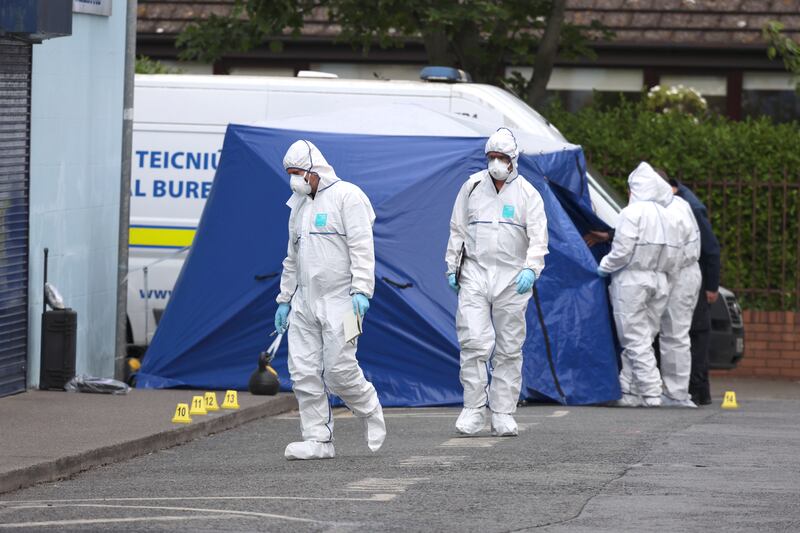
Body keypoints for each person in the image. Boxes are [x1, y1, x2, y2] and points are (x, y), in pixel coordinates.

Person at [274, 139, 386, 460]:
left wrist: (362, 291)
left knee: (338, 370)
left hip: (345, 303)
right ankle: (318, 438)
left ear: (314, 170)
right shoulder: (297, 206)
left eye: (297, 173)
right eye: (290, 174)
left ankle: (368, 407)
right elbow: (291, 258)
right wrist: (285, 298)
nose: (294, 180)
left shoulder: (347, 197)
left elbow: (363, 248)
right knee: (303, 371)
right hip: (305, 302)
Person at [445, 128, 548, 436]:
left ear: (513, 160)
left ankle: (502, 411)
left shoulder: (528, 194)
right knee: (473, 341)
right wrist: (452, 267)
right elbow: (457, 230)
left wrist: (531, 269)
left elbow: (539, 239)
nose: (496, 163)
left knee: (508, 347)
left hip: (512, 276)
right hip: (475, 272)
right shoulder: (472, 187)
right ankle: (474, 409)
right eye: (491, 157)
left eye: (502, 158)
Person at [596, 162, 678, 407]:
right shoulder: (668, 215)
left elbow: (622, 251)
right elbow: (676, 255)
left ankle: (652, 392)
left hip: (632, 279)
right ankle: (630, 390)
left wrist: (604, 266)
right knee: (644, 337)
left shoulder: (631, 214)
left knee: (634, 338)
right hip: (661, 280)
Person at [666, 174, 721, 406]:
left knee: (696, 333)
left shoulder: (690, 206)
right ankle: (699, 390)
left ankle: (698, 389)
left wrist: (711, 285)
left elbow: (710, 248)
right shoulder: (686, 200)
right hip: (692, 277)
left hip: (691, 278)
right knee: (692, 333)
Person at [656, 168, 702, 408]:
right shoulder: (679, 204)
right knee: (674, 334)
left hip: (679, 274)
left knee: (675, 333)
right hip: (682, 272)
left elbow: (672, 249)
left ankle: (677, 393)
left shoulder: (672, 209)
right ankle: (675, 391)